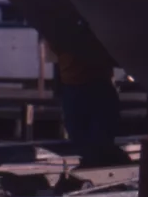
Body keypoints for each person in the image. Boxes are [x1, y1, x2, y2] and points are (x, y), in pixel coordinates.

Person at [46, 32, 129, 169]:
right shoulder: (62, 34)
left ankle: (97, 161)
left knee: (96, 134)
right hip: (80, 85)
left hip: (90, 84)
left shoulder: (64, 33)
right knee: (85, 134)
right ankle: (94, 161)